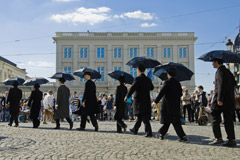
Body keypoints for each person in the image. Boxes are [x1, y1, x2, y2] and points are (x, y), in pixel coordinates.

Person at [154, 68, 187, 142]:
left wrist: (155, 102)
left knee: (167, 121)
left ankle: (161, 134)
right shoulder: (178, 83)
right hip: (175, 105)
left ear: (168, 75)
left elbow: (161, 93)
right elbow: (180, 94)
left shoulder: (167, 82)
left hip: (167, 105)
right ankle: (182, 136)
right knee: (175, 122)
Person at [209, 58, 236, 147]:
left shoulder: (219, 71)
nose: (212, 64)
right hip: (230, 100)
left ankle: (218, 138)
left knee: (214, 117)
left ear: (217, 62)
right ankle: (231, 140)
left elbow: (221, 85)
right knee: (228, 120)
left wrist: (219, 99)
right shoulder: (228, 71)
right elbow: (234, 83)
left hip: (220, 100)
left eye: (213, 62)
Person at [125, 64, 154, 137]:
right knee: (140, 116)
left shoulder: (138, 79)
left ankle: (149, 132)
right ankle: (135, 129)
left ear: (138, 70)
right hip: (146, 100)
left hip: (139, 101)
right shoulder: (148, 79)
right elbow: (152, 88)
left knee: (144, 117)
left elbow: (132, 88)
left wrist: (127, 96)